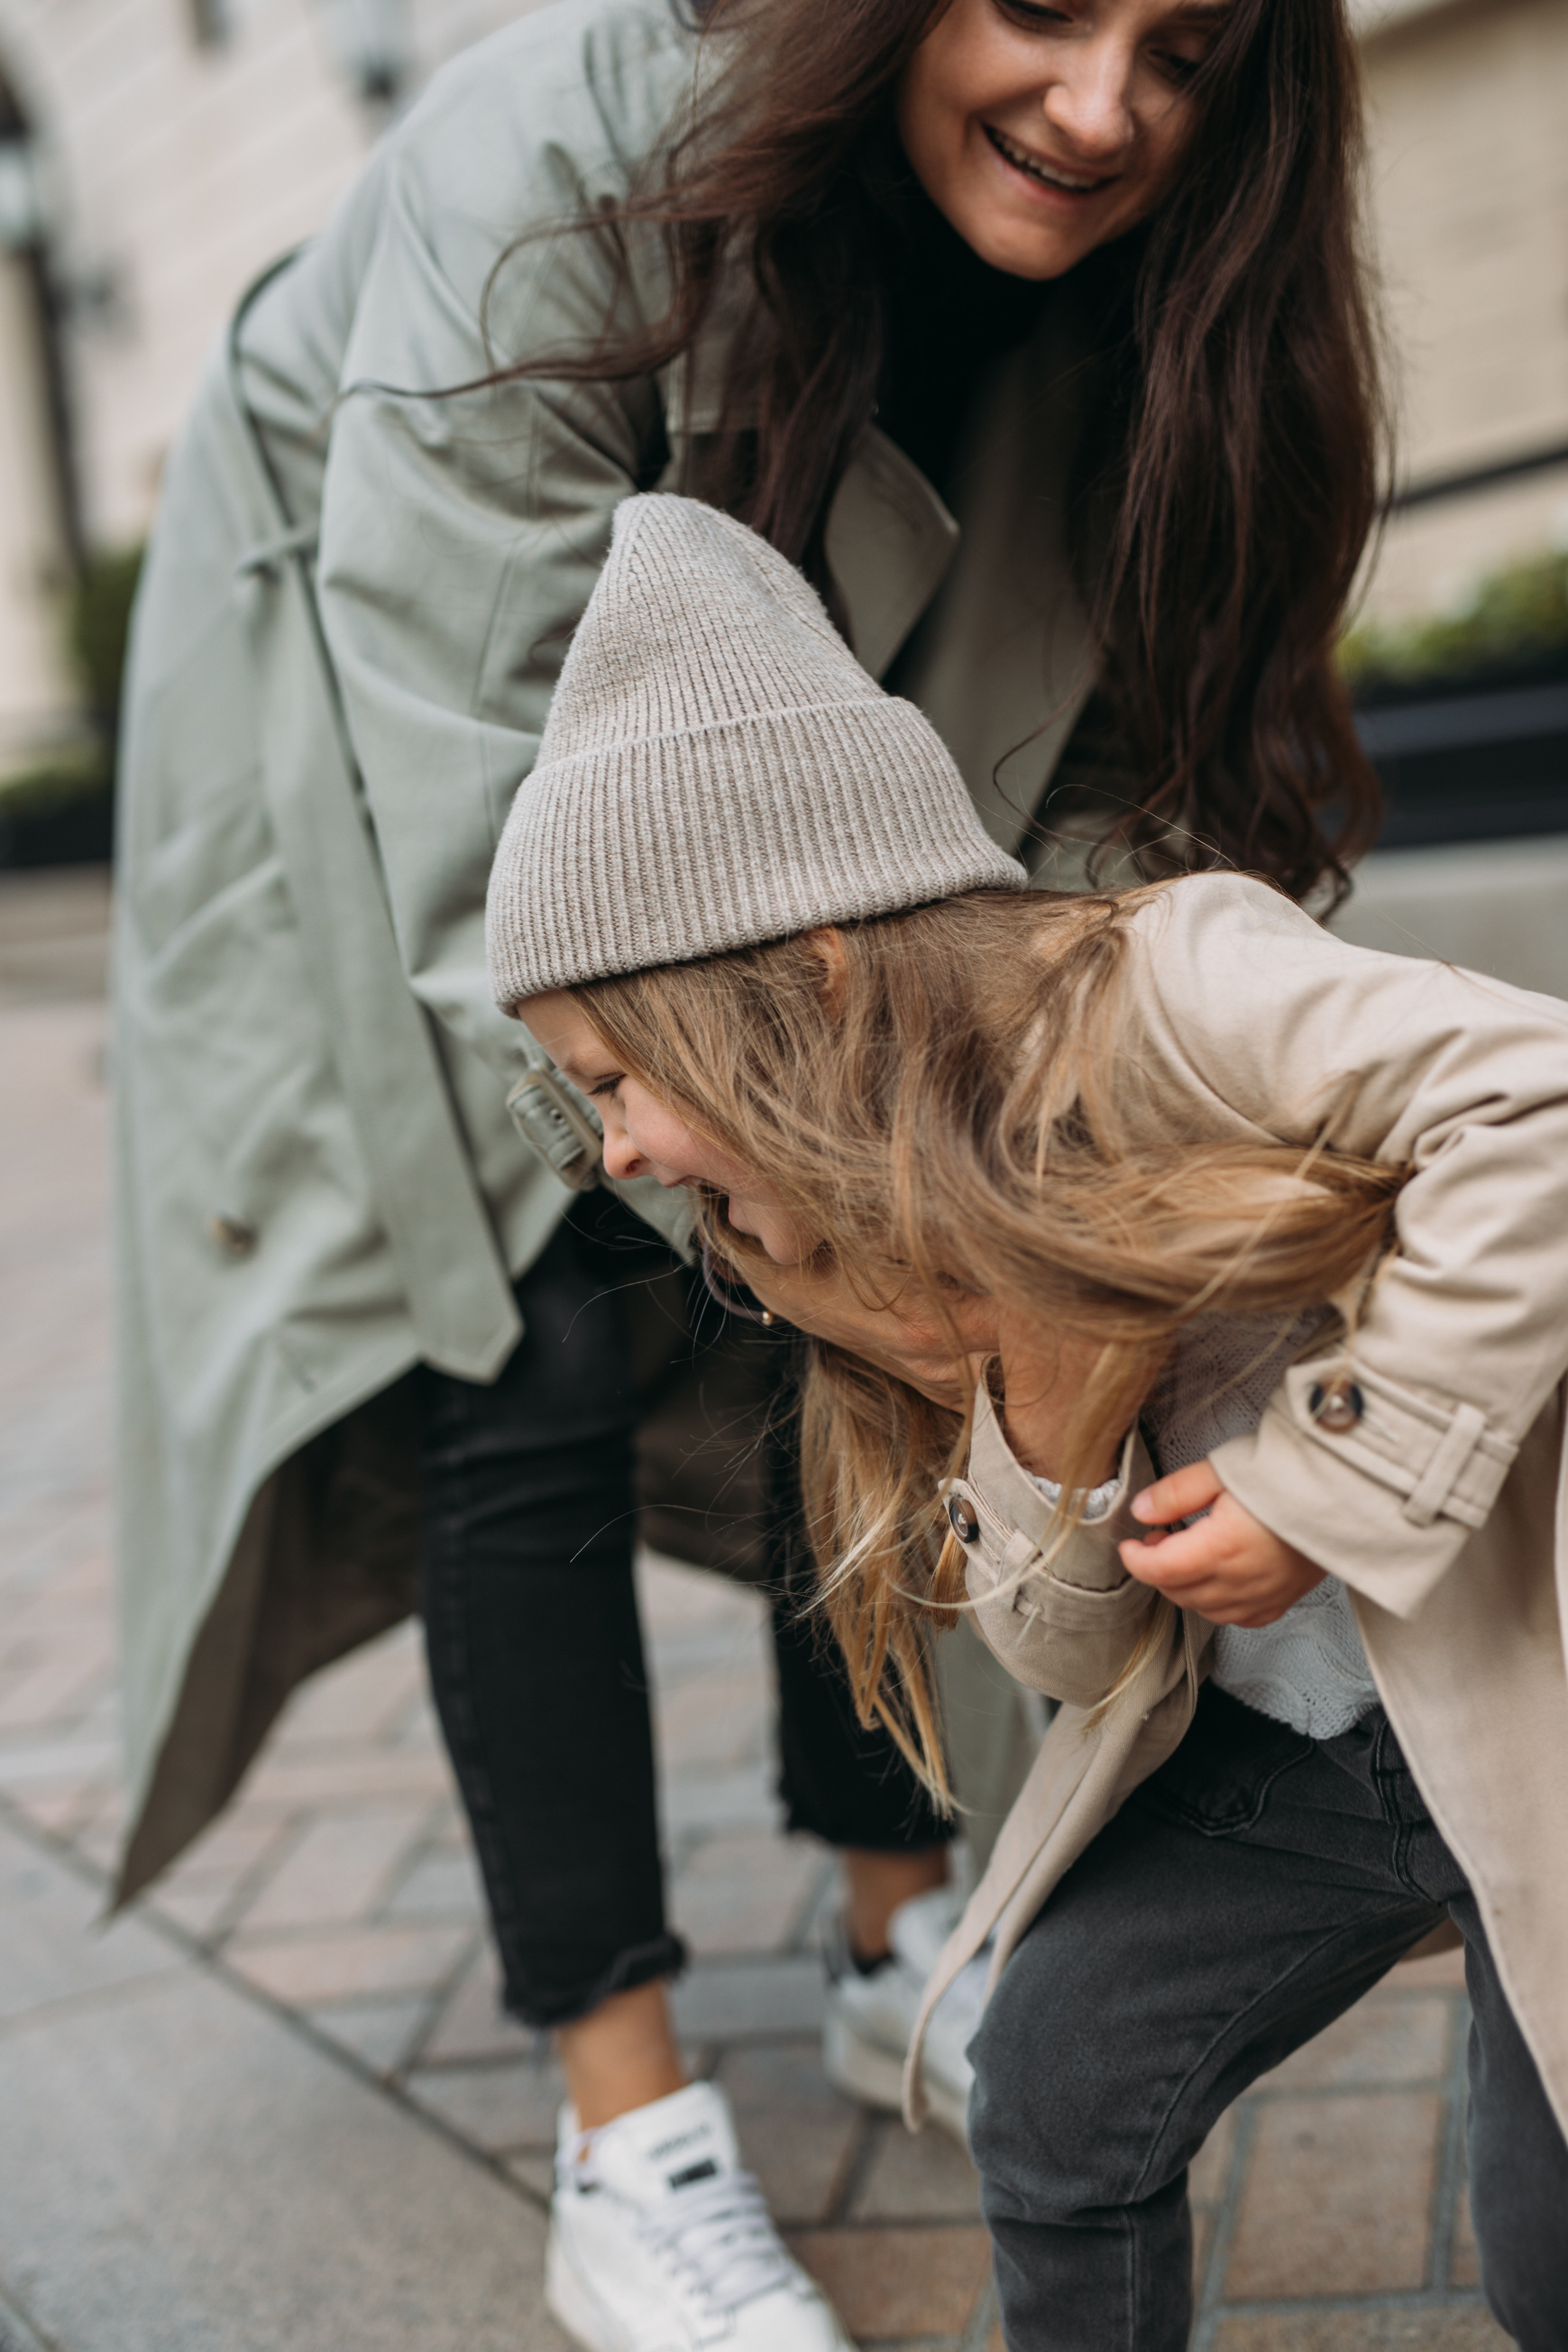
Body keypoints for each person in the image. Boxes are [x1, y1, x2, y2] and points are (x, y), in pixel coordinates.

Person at [114, 0, 1385, 2337]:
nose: (1104, 107)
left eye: (1189, 50)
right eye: (1044, 3)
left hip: (745, 730)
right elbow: (487, 817)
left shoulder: (1164, 300)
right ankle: (624, 2130)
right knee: (513, 1294)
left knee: (899, 1204)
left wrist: (1067, 1187)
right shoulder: (547, 184)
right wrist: (806, 1199)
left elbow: (1103, 808)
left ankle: (892, 1929)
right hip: (376, 718)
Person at [488, 489, 1568, 2352]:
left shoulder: (1169, 981)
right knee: (1054, 2086)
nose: (619, 1153)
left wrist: (1333, 1475)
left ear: (795, 987)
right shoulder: (842, 1253)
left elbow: (1540, 1102)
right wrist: (1049, 1420)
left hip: (1525, 1682)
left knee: (1545, 2251)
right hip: (1306, 1766)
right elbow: (1074, 1660)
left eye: (617, 1079)